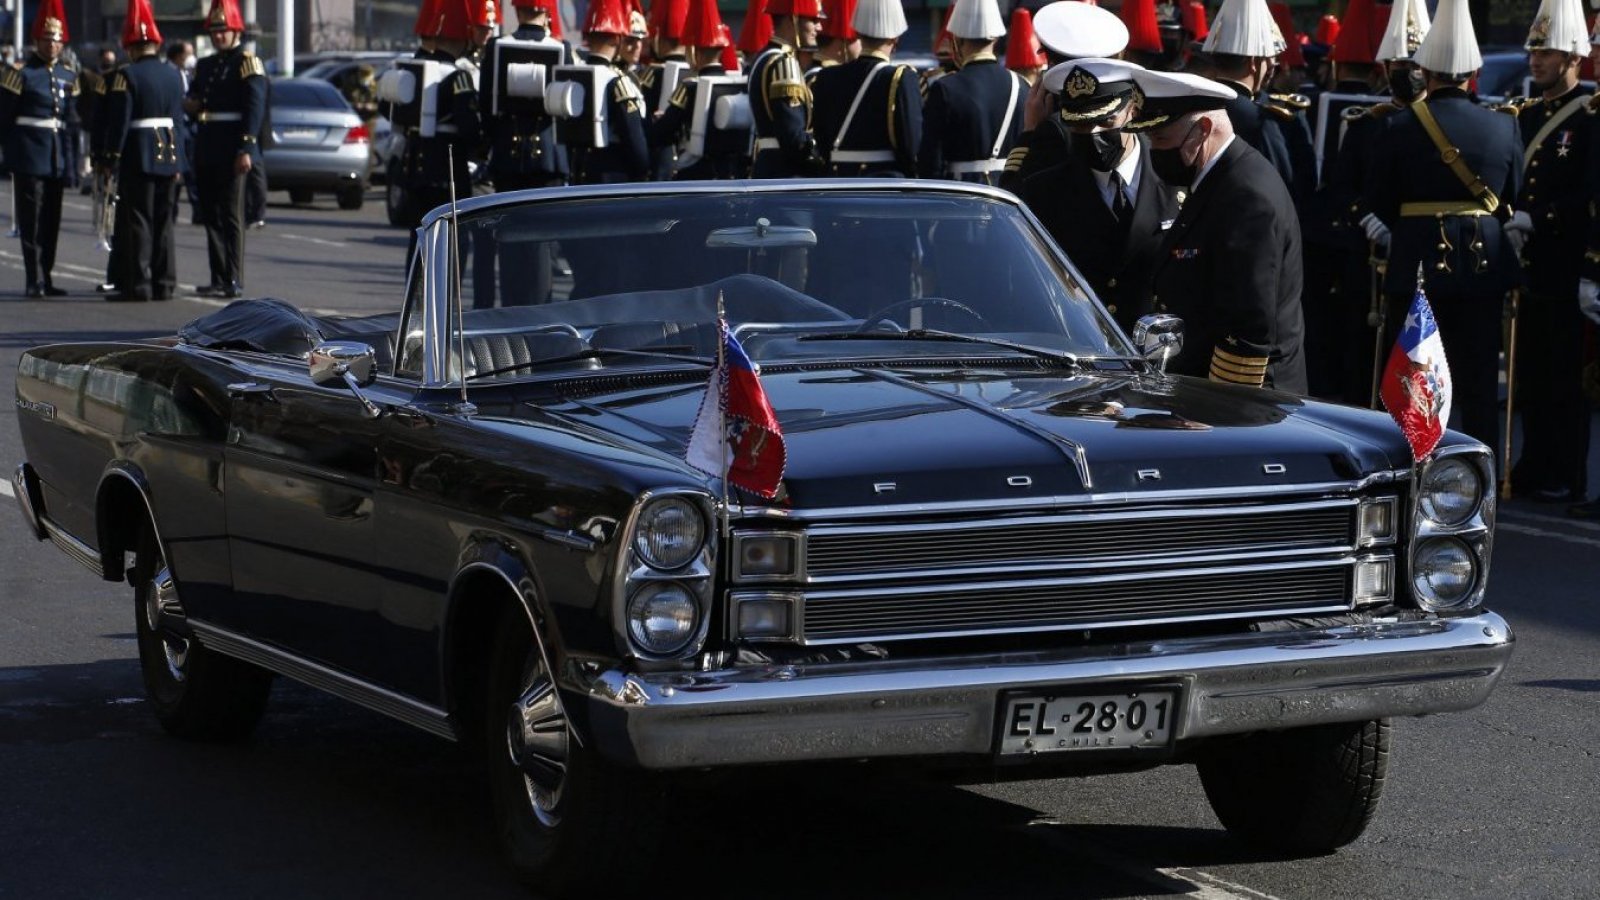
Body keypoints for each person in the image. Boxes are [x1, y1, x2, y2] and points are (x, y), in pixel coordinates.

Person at [1361, 0, 1523, 451]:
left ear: (1424, 72)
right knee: (1478, 380)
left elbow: (1376, 200)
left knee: (1415, 376)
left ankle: (1414, 462)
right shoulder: (1503, 127)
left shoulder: (1396, 126)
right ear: (1472, 75)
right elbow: (1510, 196)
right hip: (1482, 264)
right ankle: (1480, 465)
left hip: (1416, 262)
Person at [1130, 68, 1308, 392]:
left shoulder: (1246, 196)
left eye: (1162, 138)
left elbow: (1247, 329)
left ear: (1203, 130)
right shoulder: (1216, 180)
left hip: (1250, 404)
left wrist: (1221, 410)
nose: (1154, 150)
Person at [1018, 58, 1181, 335]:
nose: (1093, 133)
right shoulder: (1043, 193)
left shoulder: (1177, 180)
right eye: (1080, 125)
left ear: (1133, 109)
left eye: (1105, 121)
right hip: (1083, 348)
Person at [1505, 0, 1594, 504]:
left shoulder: (1589, 116)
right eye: (1533, 50)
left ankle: (1563, 468)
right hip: (1527, 261)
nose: (1535, 60)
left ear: (1574, 56)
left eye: (1547, 51)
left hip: (1563, 259)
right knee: (1530, 371)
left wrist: (1539, 219)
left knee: (1563, 375)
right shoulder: (1526, 114)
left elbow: (1589, 192)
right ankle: (1534, 462)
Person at [99, 0, 186, 302]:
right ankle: (165, 283)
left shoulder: (128, 75)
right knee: (164, 221)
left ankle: (139, 283)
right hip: (169, 151)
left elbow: (120, 122)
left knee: (138, 220)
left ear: (131, 46)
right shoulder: (174, 74)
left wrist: (111, 157)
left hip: (139, 152)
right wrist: (180, 160)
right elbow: (178, 120)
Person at [999, 1, 1128, 192]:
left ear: (1051, 64)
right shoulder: (1128, 111)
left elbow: (1014, 193)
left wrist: (1030, 131)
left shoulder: (1052, 129)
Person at [186, 0, 265, 299]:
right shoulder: (205, 65)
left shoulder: (246, 63)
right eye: (215, 31)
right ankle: (217, 274)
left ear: (236, 31)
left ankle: (233, 277)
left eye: (224, 30)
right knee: (211, 214)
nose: (219, 36)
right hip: (207, 146)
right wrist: (190, 105)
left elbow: (253, 109)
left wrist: (246, 147)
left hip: (233, 147)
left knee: (232, 215)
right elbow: (195, 100)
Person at [0, 0, 79, 297]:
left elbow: (70, 122)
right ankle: (33, 279)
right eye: (48, 40)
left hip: (56, 155)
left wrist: (71, 163)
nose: (53, 46)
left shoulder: (67, 75)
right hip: (29, 155)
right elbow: (5, 118)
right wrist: (9, 154)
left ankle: (47, 274)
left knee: (52, 220)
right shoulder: (19, 74)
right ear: (36, 41)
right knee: (31, 220)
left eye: (57, 40)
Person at [1202, 0, 1312, 203]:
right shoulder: (1261, 121)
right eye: (1268, 58)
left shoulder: (1193, 105)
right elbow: (1284, 190)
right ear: (1254, 63)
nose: (1272, 65)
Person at [918, 0, 1025, 185]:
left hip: (961, 195)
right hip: (1009, 194)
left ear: (957, 41)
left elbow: (930, 163)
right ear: (996, 39)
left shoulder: (945, 88)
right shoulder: (1022, 85)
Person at [810, 0, 922, 177]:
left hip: (837, 180)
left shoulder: (826, 76)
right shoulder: (901, 78)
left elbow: (822, 139)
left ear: (859, 34)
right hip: (885, 181)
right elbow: (911, 145)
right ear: (895, 37)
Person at [653, 0, 745, 179]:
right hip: (728, 173)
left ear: (695, 51)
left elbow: (662, 133)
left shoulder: (689, 87)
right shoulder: (736, 85)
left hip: (693, 173)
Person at [570, 0, 650, 184]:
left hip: (579, 170)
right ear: (618, 39)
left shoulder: (573, 73)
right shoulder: (618, 81)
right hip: (612, 174)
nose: (636, 46)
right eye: (629, 40)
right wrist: (643, 169)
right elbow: (633, 139)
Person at [747, 0, 826, 177]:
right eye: (813, 20)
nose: (819, 28)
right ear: (793, 20)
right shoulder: (785, 62)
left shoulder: (763, 57)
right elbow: (794, 139)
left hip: (768, 164)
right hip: (785, 171)